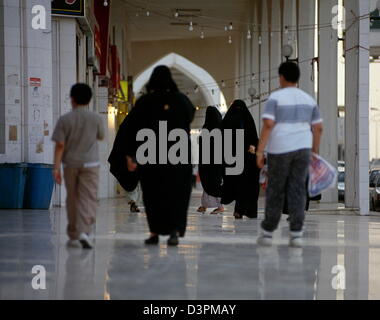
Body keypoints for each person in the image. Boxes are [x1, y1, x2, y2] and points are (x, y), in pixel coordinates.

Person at [109, 66, 195, 246]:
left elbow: (130, 128)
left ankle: (155, 232)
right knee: (175, 195)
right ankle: (174, 232)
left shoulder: (145, 102)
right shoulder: (182, 100)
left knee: (153, 195)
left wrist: (130, 155)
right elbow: (190, 116)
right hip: (177, 158)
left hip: (151, 157)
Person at [256, 62, 323, 247]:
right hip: (302, 149)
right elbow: (318, 128)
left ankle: (268, 232)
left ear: (282, 77)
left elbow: (268, 125)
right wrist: (314, 152)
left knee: (276, 189)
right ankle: (296, 233)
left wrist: (260, 151)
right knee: (298, 189)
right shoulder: (309, 100)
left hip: (279, 149)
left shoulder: (275, 98)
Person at [52, 83, 105, 249]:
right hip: (91, 164)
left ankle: (74, 232)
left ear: (72, 99)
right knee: (88, 197)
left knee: (72, 197)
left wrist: (56, 167)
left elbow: (60, 145)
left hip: (70, 164)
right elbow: (101, 137)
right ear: (89, 99)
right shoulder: (96, 118)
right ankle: (85, 231)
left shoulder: (64, 119)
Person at [221, 100, 260, 219]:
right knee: (247, 185)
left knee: (236, 184)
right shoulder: (247, 119)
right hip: (247, 159)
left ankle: (239, 210)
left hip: (231, 160)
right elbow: (254, 139)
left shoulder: (228, 119)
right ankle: (245, 210)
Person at [197, 106, 225, 214]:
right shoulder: (219, 127)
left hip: (213, 161)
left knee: (213, 183)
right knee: (207, 182)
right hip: (211, 161)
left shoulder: (209, 128)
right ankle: (204, 205)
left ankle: (220, 206)